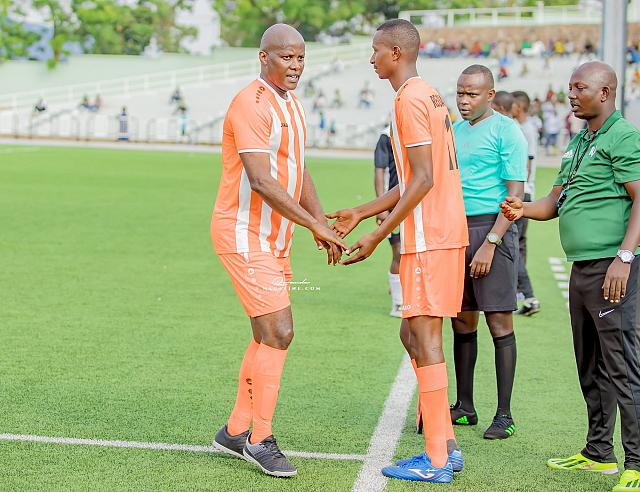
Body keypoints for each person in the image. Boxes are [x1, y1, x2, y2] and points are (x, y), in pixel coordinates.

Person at [327, 19, 468, 483]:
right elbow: (413, 178)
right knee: (412, 335)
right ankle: (445, 445)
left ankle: (437, 458)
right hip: (439, 232)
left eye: (375, 50)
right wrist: (362, 211)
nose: (371, 58)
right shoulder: (426, 94)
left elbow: (423, 179)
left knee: (425, 339)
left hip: (430, 236)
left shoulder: (408, 99)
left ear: (395, 52)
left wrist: (377, 234)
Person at [210, 24, 345, 478]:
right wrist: (313, 224)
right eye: (287, 57)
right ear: (263, 56)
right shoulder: (250, 103)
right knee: (280, 331)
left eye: (301, 58)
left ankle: (235, 431)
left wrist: (319, 222)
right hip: (243, 233)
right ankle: (259, 439)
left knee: (264, 334)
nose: (296, 66)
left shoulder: (293, 104)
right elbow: (261, 181)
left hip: (275, 237)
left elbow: (298, 170)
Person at [501, 61, 640, 492]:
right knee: (590, 365)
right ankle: (599, 453)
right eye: (570, 87)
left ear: (606, 93)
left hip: (613, 268)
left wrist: (624, 257)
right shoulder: (580, 140)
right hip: (583, 268)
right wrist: (521, 208)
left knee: (623, 366)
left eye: (580, 88)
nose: (572, 95)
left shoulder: (623, 136)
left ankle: (637, 464)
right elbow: (553, 203)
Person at [450, 64, 527, 440]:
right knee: (462, 321)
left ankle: (504, 415)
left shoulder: (507, 131)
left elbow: (515, 197)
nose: (464, 100)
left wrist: (492, 243)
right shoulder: (454, 130)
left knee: (499, 322)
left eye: (472, 94)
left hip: (494, 228)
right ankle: (465, 407)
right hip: (456, 231)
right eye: (460, 93)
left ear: (490, 95)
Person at [511, 90, 541, 316]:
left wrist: (518, 187)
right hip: (524, 193)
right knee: (518, 246)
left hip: (523, 194)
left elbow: (528, 164)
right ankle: (519, 293)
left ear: (519, 107)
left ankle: (528, 295)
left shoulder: (526, 129)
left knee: (511, 247)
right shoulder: (521, 127)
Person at [373, 125, 402, 317]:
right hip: (392, 206)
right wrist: (381, 206)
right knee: (399, 251)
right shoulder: (386, 135)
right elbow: (380, 171)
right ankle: (398, 303)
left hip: (419, 204)